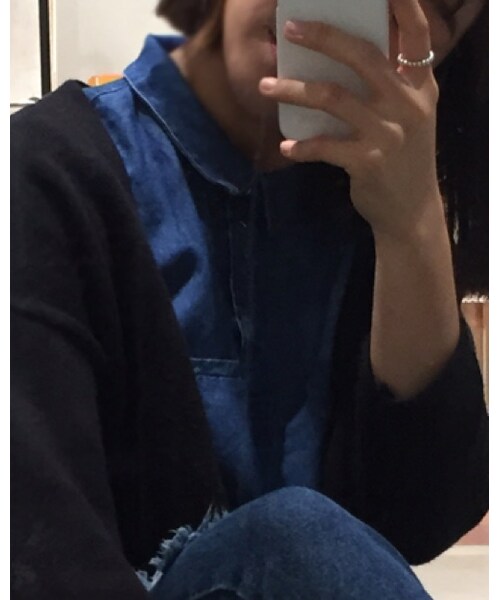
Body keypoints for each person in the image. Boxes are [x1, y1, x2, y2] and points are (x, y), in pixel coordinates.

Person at [11, 0, 488, 598]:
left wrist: (413, 222)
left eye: (436, 6)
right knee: (293, 537)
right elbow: (43, 553)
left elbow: (420, 519)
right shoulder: (44, 173)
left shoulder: (367, 207)